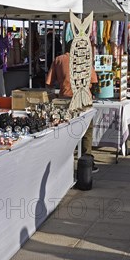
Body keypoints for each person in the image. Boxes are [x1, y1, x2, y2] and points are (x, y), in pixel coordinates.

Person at [46, 40, 99, 171]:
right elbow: (95, 81)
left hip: (65, 101)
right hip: (84, 100)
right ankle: (86, 163)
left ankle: (64, 163)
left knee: (66, 132)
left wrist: (57, 93)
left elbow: (49, 83)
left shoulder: (59, 60)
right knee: (86, 131)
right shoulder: (85, 61)